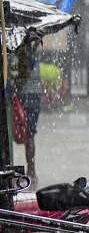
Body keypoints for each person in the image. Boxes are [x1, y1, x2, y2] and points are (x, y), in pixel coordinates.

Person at [14, 44, 41, 186]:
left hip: (26, 97)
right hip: (32, 97)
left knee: (28, 135)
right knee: (29, 135)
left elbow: (22, 74)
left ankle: (31, 172)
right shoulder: (31, 49)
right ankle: (31, 172)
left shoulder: (22, 51)